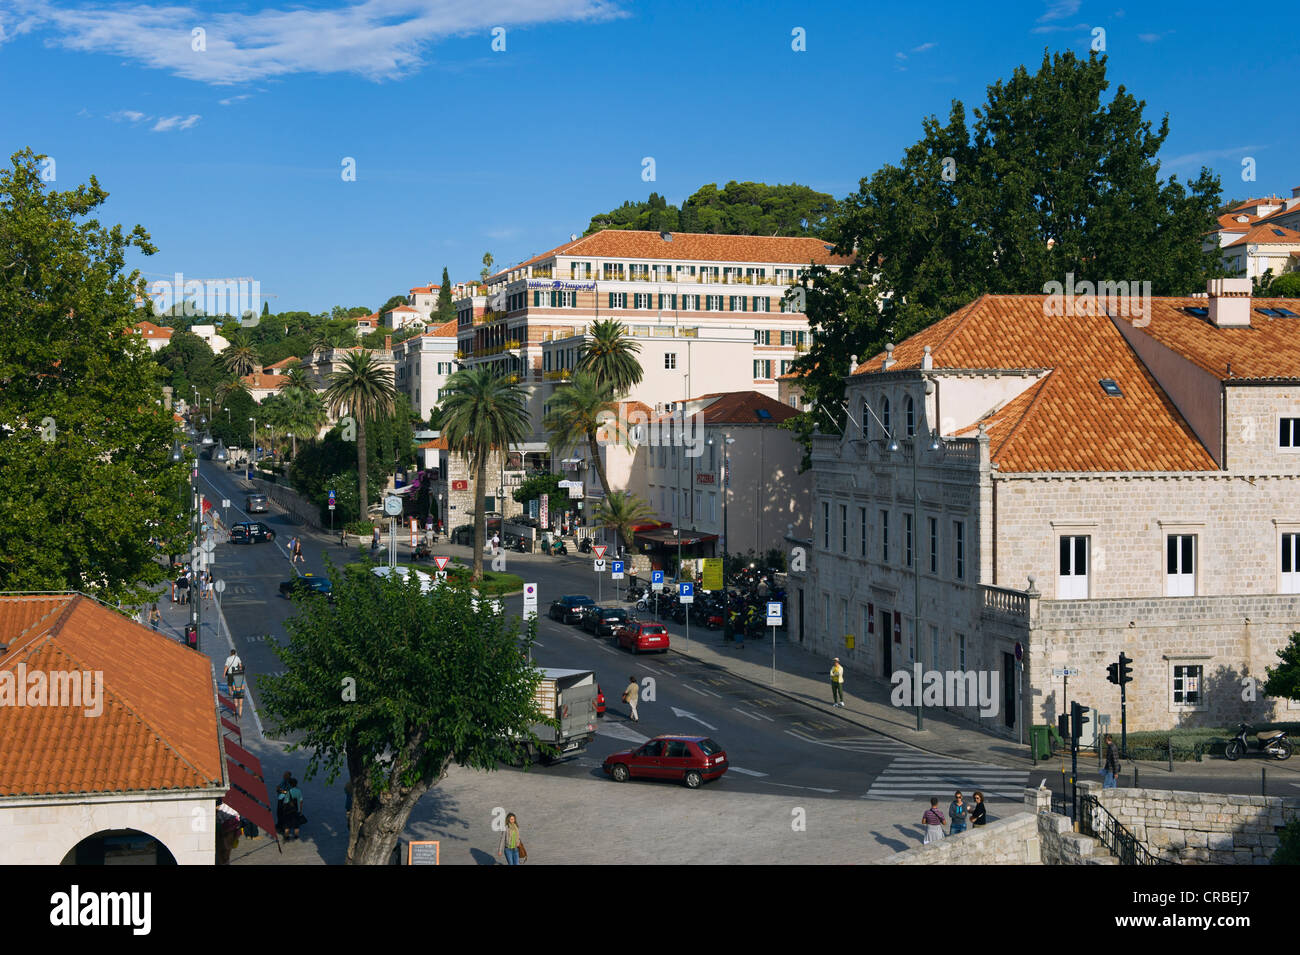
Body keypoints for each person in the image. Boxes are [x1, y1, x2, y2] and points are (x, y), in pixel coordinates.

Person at [275, 772, 293, 837]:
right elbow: (280, 785)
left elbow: (289, 792)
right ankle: (279, 825)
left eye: (285, 775)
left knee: (284, 814)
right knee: (279, 813)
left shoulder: (290, 782)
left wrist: (281, 791)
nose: (283, 776)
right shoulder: (284, 780)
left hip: (286, 801)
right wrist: (278, 787)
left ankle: (283, 828)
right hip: (281, 799)